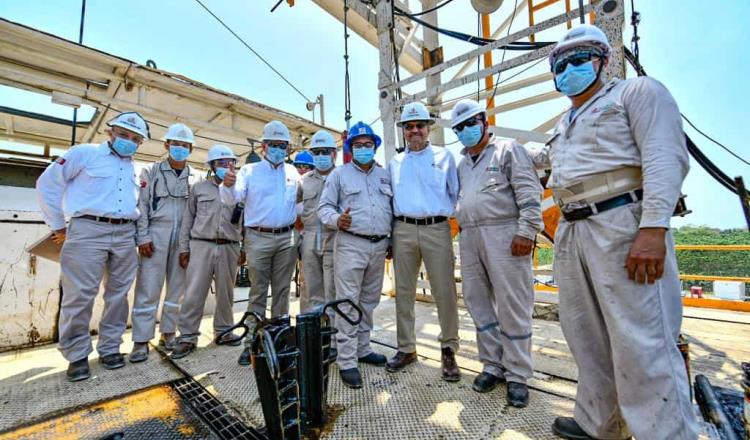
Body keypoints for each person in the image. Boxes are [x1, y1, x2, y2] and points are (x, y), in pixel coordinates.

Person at [531, 24, 699, 439]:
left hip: (622, 224)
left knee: (643, 341)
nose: (568, 70)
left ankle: (666, 433)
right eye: (560, 65)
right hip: (573, 231)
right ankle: (601, 423)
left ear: (604, 60)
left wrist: (653, 229)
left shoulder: (637, 93)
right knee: (585, 335)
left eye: (579, 60)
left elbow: (665, 157)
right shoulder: (566, 122)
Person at [36, 111, 149, 381]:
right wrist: (58, 226)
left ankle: (110, 348)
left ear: (140, 143)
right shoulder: (84, 154)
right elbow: (48, 184)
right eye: (123, 134)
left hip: (125, 233)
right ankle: (76, 355)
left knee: (118, 295)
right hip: (87, 229)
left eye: (135, 138)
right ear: (110, 133)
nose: (128, 141)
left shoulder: (137, 168)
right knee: (80, 295)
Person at [451, 99, 542, 408]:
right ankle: (492, 365)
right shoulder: (462, 164)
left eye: (471, 123)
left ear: (485, 122)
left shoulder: (508, 151)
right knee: (478, 303)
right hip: (470, 235)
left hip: (505, 233)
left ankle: (517, 375)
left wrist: (526, 231)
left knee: (514, 304)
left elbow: (529, 192)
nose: (466, 130)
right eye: (459, 127)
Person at [385, 102, 460, 382]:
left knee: (445, 292)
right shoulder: (395, 163)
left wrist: (439, 217)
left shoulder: (444, 157)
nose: (414, 130)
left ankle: (449, 348)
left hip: (436, 228)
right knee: (403, 292)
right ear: (403, 131)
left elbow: (455, 193)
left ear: (429, 128)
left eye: (419, 125)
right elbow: (391, 198)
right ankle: (406, 348)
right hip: (403, 228)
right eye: (409, 126)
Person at [220, 121, 301, 366]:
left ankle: (279, 341)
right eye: (273, 144)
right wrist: (229, 184)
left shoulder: (293, 173)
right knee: (257, 292)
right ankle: (252, 344)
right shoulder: (249, 171)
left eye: (282, 145)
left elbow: (299, 205)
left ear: (288, 148)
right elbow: (232, 198)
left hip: (287, 238)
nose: (278, 149)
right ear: (264, 146)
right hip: (258, 237)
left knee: (282, 291)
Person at [317, 121, 391, 389]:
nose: (363, 149)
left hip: (379, 246)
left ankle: (363, 348)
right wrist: (338, 220)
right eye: (358, 146)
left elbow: (390, 209)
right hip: (350, 244)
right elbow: (323, 208)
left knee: (369, 301)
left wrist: (390, 239)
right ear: (350, 149)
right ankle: (347, 360)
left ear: (375, 147)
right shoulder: (339, 175)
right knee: (347, 301)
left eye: (368, 145)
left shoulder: (384, 176)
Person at [129, 123, 196, 363]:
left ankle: (168, 333)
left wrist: (187, 245)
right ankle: (140, 340)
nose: (180, 148)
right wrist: (143, 236)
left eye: (185, 145)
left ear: (191, 148)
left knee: (177, 289)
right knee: (148, 287)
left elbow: (195, 212)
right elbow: (142, 206)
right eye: (175, 144)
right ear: (167, 145)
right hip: (156, 233)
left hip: (182, 236)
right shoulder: (151, 171)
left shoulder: (195, 176)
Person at [171, 145, 245, 359]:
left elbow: (247, 220)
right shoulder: (199, 188)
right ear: (212, 166)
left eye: (230, 163)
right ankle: (187, 337)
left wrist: (244, 247)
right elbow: (188, 219)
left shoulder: (240, 189)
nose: (226, 167)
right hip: (201, 245)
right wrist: (184, 247)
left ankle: (224, 332)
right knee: (194, 293)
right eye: (221, 163)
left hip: (230, 246)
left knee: (225, 293)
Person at [297, 131, 338, 313]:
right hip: (310, 238)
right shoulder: (304, 181)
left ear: (334, 154)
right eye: (317, 152)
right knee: (310, 288)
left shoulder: (342, 176)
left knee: (334, 288)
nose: (320, 156)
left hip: (334, 237)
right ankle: (312, 335)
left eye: (325, 151)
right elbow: (293, 207)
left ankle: (335, 336)